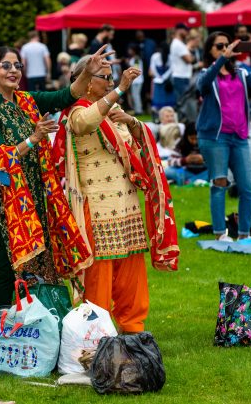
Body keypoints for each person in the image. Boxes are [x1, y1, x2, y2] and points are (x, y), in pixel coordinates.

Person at [0, 45, 122, 317]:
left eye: (17, 66)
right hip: (5, 196)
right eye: (5, 65)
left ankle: (39, 317)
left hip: (33, 191)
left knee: (41, 253)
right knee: (6, 259)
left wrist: (87, 72)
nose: (13, 71)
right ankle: (5, 322)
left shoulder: (26, 100)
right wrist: (34, 138)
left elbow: (66, 96)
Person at [58, 56, 178, 332]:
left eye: (113, 78)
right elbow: (85, 124)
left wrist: (134, 123)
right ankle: (96, 330)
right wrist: (121, 89)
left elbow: (135, 146)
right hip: (96, 204)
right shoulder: (74, 111)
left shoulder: (115, 109)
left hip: (127, 203)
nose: (112, 82)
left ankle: (132, 325)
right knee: (100, 270)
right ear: (86, 82)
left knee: (131, 265)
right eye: (106, 78)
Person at [196, 31, 251, 241]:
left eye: (227, 45)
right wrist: (222, 59)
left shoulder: (241, 73)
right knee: (219, 183)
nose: (224, 48)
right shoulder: (207, 73)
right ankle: (220, 233)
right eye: (219, 46)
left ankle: (245, 233)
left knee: (249, 187)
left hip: (239, 137)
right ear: (210, 51)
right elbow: (202, 86)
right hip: (214, 138)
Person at [169, 23, 195, 102]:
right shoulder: (178, 44)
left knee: (184, 101)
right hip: (180, 77)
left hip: (182, 76)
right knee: (183, 102)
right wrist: (189, 48)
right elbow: (189, 60)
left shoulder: (179, 44)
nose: (187, 32)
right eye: (186, 30)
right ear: (179, 30)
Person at [149, 42, 175, 112]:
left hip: (165, 82)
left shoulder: (170, 57)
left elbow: (171, 69)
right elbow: (153, 68)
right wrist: (160, 77)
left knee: (166, 100)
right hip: (159, 81)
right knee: (158, 99)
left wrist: (162, 77)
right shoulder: (155, 56)